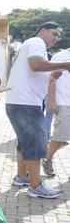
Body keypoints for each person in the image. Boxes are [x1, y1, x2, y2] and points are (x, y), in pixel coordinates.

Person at [5, 22, 69, 197]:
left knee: (25, 143)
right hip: (26, 103)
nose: (56, 39)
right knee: (35, 143)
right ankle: (35, 186)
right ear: (43, 31)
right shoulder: (36, 42)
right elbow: (36, 65)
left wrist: (52, 74)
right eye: (54, 34)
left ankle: (21, 177)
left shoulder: (32, 45)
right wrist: (64, 65)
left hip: (20, 102)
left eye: (59, 36)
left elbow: (35, 70)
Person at [43, 44, 70, 177]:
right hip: (65, 102)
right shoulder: (61, 56)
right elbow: (50, 78)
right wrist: (51, 100)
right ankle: (47, 158)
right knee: (61, 136)